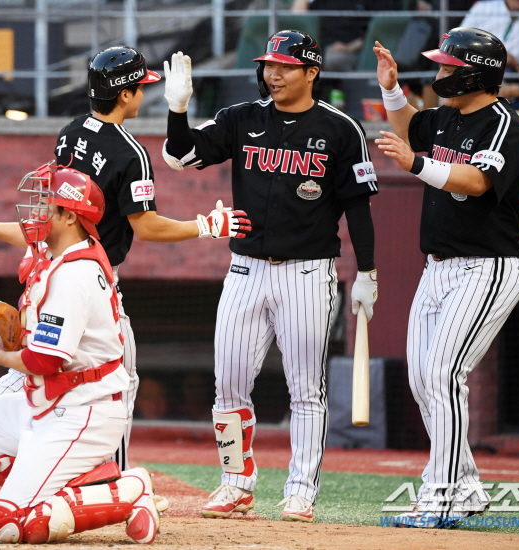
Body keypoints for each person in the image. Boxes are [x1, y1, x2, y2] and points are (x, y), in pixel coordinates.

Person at [0, 46, 251, 511]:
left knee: (45, 362)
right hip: (94, 277)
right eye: (139, 87)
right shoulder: (131, 152)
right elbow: (146, 227)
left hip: (48, 268)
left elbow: (51, 218)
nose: (142, 93)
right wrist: (205, 226)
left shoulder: (68, 134)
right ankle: (111, 484)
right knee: (112, 381)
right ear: (125, 95)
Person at [161, 30, 379, 522]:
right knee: (229, 383)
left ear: (311, 72)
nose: (272, 74)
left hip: (308, 272)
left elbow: (358, 209)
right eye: (268, 66)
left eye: (284, 66)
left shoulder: (341, 129)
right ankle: (235, 483)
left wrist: (366, 271)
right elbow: (183, 156)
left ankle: (300, 490)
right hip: (245, 269)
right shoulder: (243, 118)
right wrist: (177, 110)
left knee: (306, 390)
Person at [0, 165, 163, 544]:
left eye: (46, 206)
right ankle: (64, 488)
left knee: (10, 524)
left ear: (69, 215)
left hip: (83, 411)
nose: (35, 214)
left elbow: (42, 361)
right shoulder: (57, 252)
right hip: (45, 402)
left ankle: (129, 489)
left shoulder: (74, 275)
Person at [373, 27, 519, 527]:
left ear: (476, 72)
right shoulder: (448, 116)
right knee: (422, 380)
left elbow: (476, 181)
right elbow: (409, 130)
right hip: (439, 266)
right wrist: (392, 89)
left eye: (449, 66)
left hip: (488, 265)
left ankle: (442, 495)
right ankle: (466, 487)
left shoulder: (503, 124)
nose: (441, 72)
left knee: (444, 375)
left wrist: (417, 164)